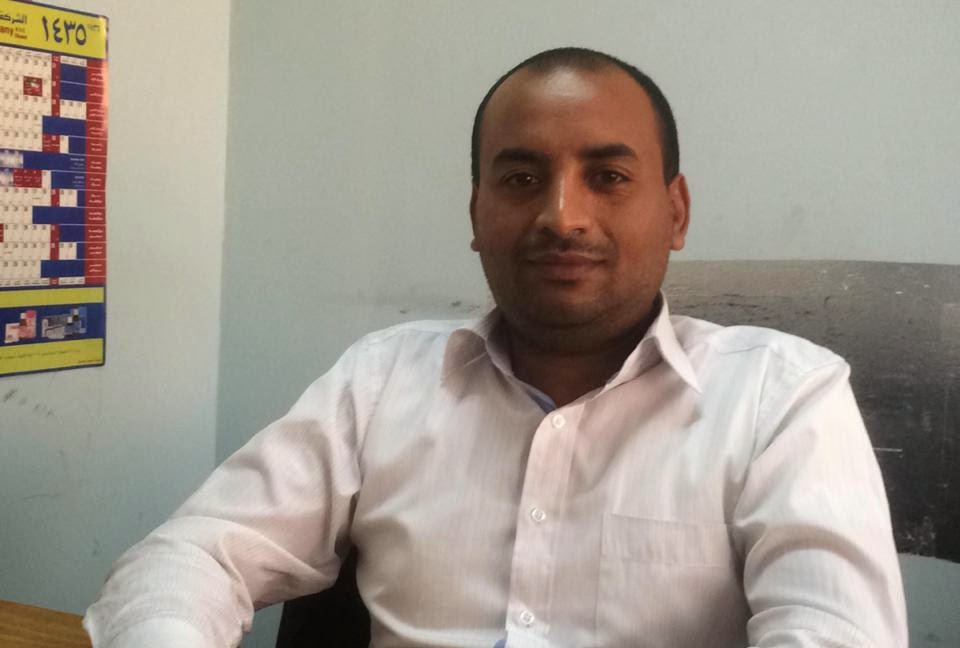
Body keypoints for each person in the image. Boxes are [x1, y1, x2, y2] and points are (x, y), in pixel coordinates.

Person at [84, 47, 907, 648]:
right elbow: (194, 554)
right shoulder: (381, 380)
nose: (562, 216)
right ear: (476, 213)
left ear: (676, 212)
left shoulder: (781, 399)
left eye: (608, 177)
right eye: (520, 179)